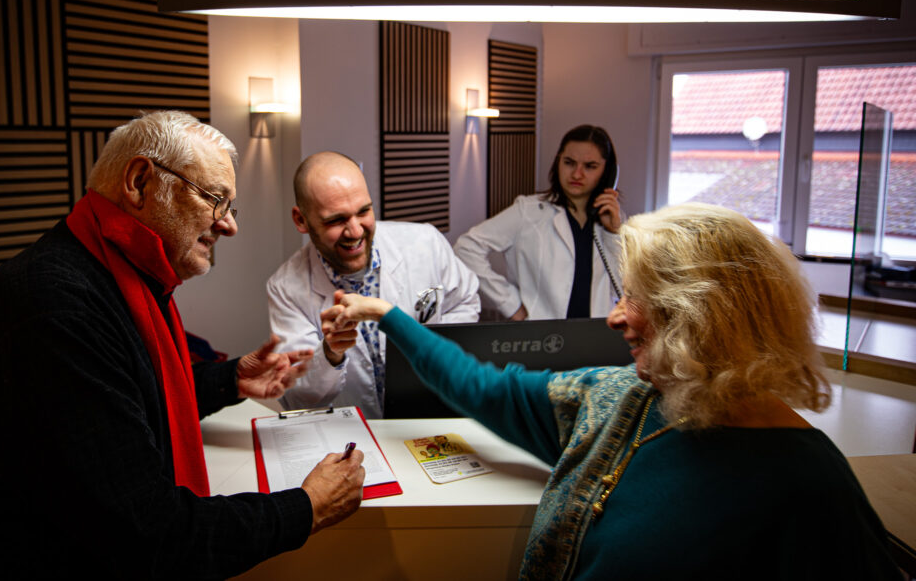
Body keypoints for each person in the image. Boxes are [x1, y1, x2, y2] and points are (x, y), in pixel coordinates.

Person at [323, 203, 902, 579]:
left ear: (698, 317)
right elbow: (479, 387)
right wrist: (389, 315)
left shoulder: (810, 480)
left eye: (634, 297)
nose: (614, 317)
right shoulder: (612, 396)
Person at [0, 111, 365, 580]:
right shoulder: (54, 313)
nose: (229, 226)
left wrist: (229, 379)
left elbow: (124, 396)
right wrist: (307, 506)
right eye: (215, 200)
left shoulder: (102, 274)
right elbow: (150, 535)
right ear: (140, 181)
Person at [266, 151, 480, 418]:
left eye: (364, 211)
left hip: (431, 416)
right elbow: (298, 397)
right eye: (336, 220)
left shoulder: (426, 243)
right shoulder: (285, 288)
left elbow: (465, 301)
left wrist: (427, 348)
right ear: (301, 220)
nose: (355, 231)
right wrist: (330, 354)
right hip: (354, 433)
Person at [454, 124, 623, 320]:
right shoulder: (528, 211)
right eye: (569, 163)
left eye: (590, 166)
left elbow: (623, 290)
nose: (577, 174)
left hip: (596, 332)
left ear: (608, 172)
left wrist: (613, 233)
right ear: (558, 162)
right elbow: (466, 248)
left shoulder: (612, 219)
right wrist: (510, 304)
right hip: (542, 332)